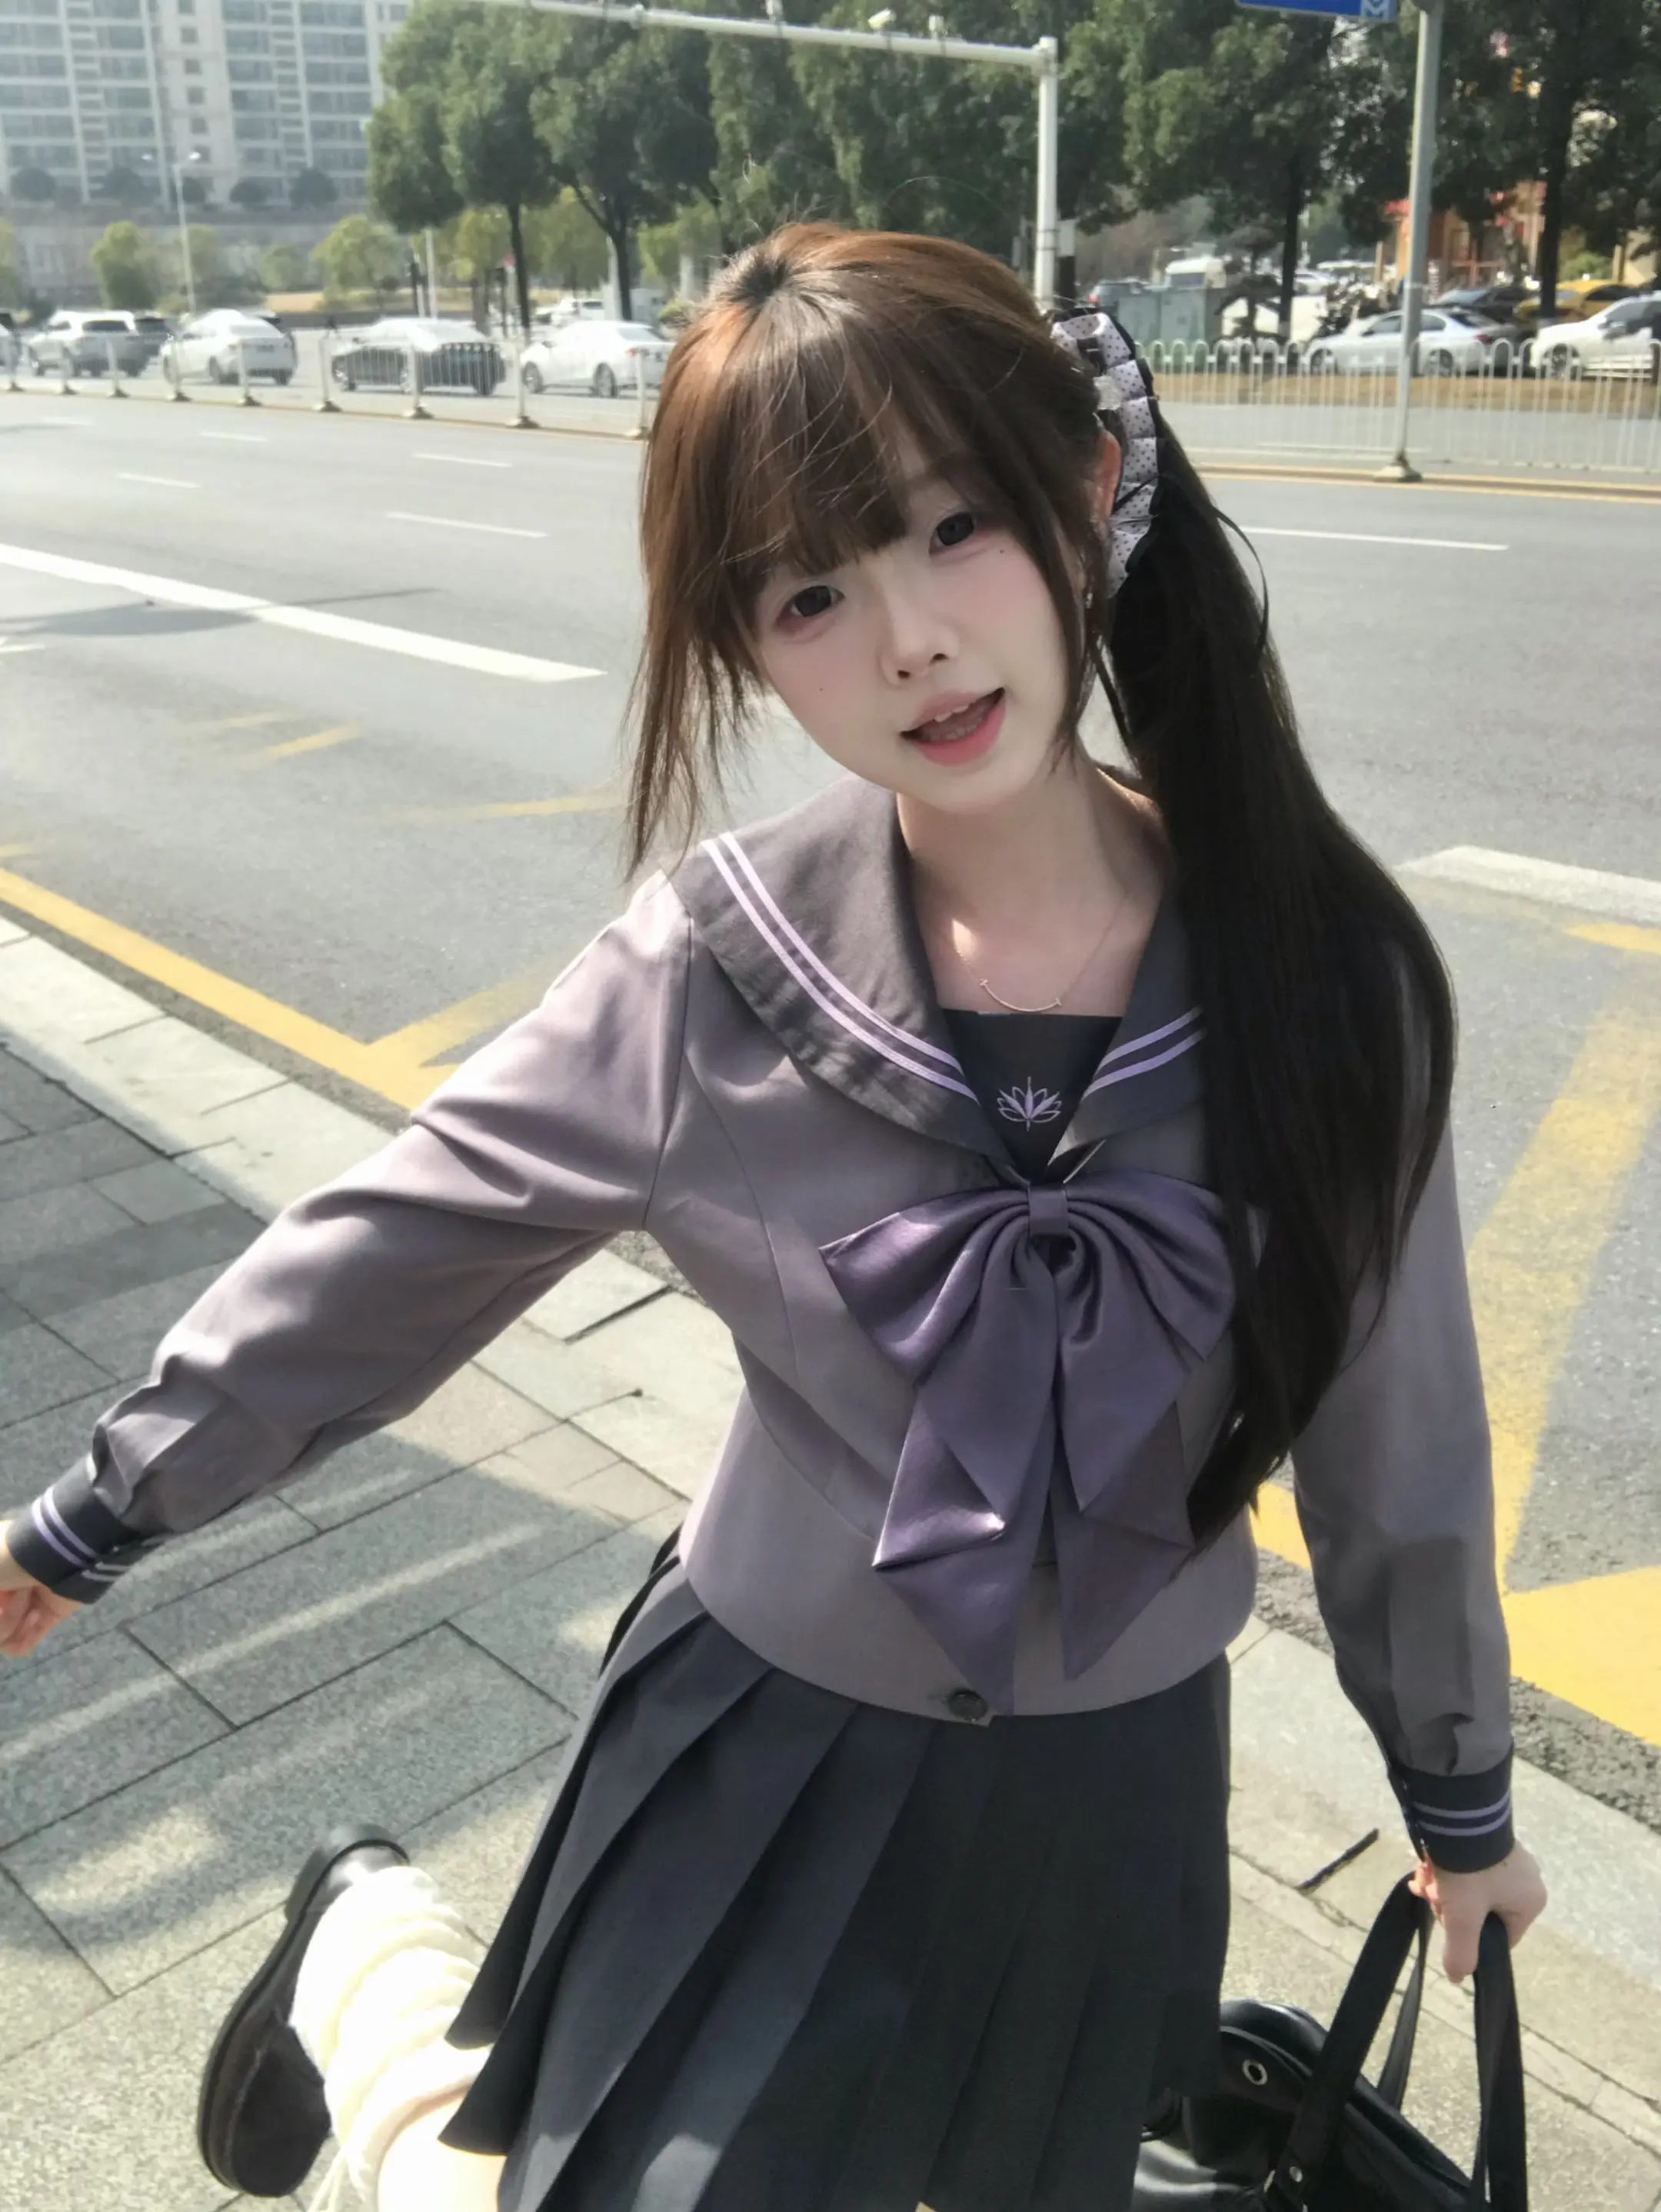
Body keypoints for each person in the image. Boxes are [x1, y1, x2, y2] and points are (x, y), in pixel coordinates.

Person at [0, 224, 1546, 2212]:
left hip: (1112, 1794)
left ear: (1092, 490)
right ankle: (368, 1951)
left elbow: (1398, 1427)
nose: (908, 639)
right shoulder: (713, 970)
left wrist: (1457, 1789)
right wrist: (105, 1507)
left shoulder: (1328, 979)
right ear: (745, 643)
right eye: (813, 590)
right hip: (761, 1743)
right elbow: (409, 1240)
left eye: (955, 527)